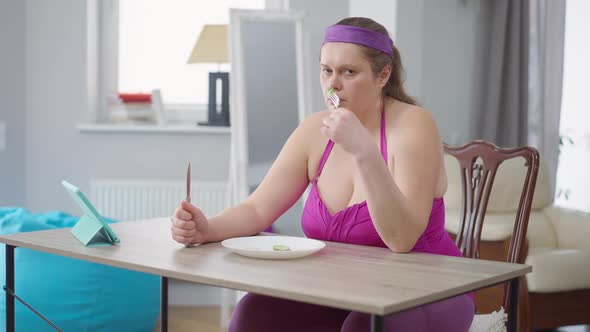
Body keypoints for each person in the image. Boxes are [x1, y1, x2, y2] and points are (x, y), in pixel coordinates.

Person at [171, 17, 475, 332]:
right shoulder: (313, 130)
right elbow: (257, 209)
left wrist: (364, 152)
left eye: (349, 72)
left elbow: (402, 239)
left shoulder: (414, 125)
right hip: (344, 292)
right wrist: (207, 228)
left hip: (428, 291)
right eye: (326, 70)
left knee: (367, 325)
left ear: (383, 75)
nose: (333, 84)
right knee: (254, 311)